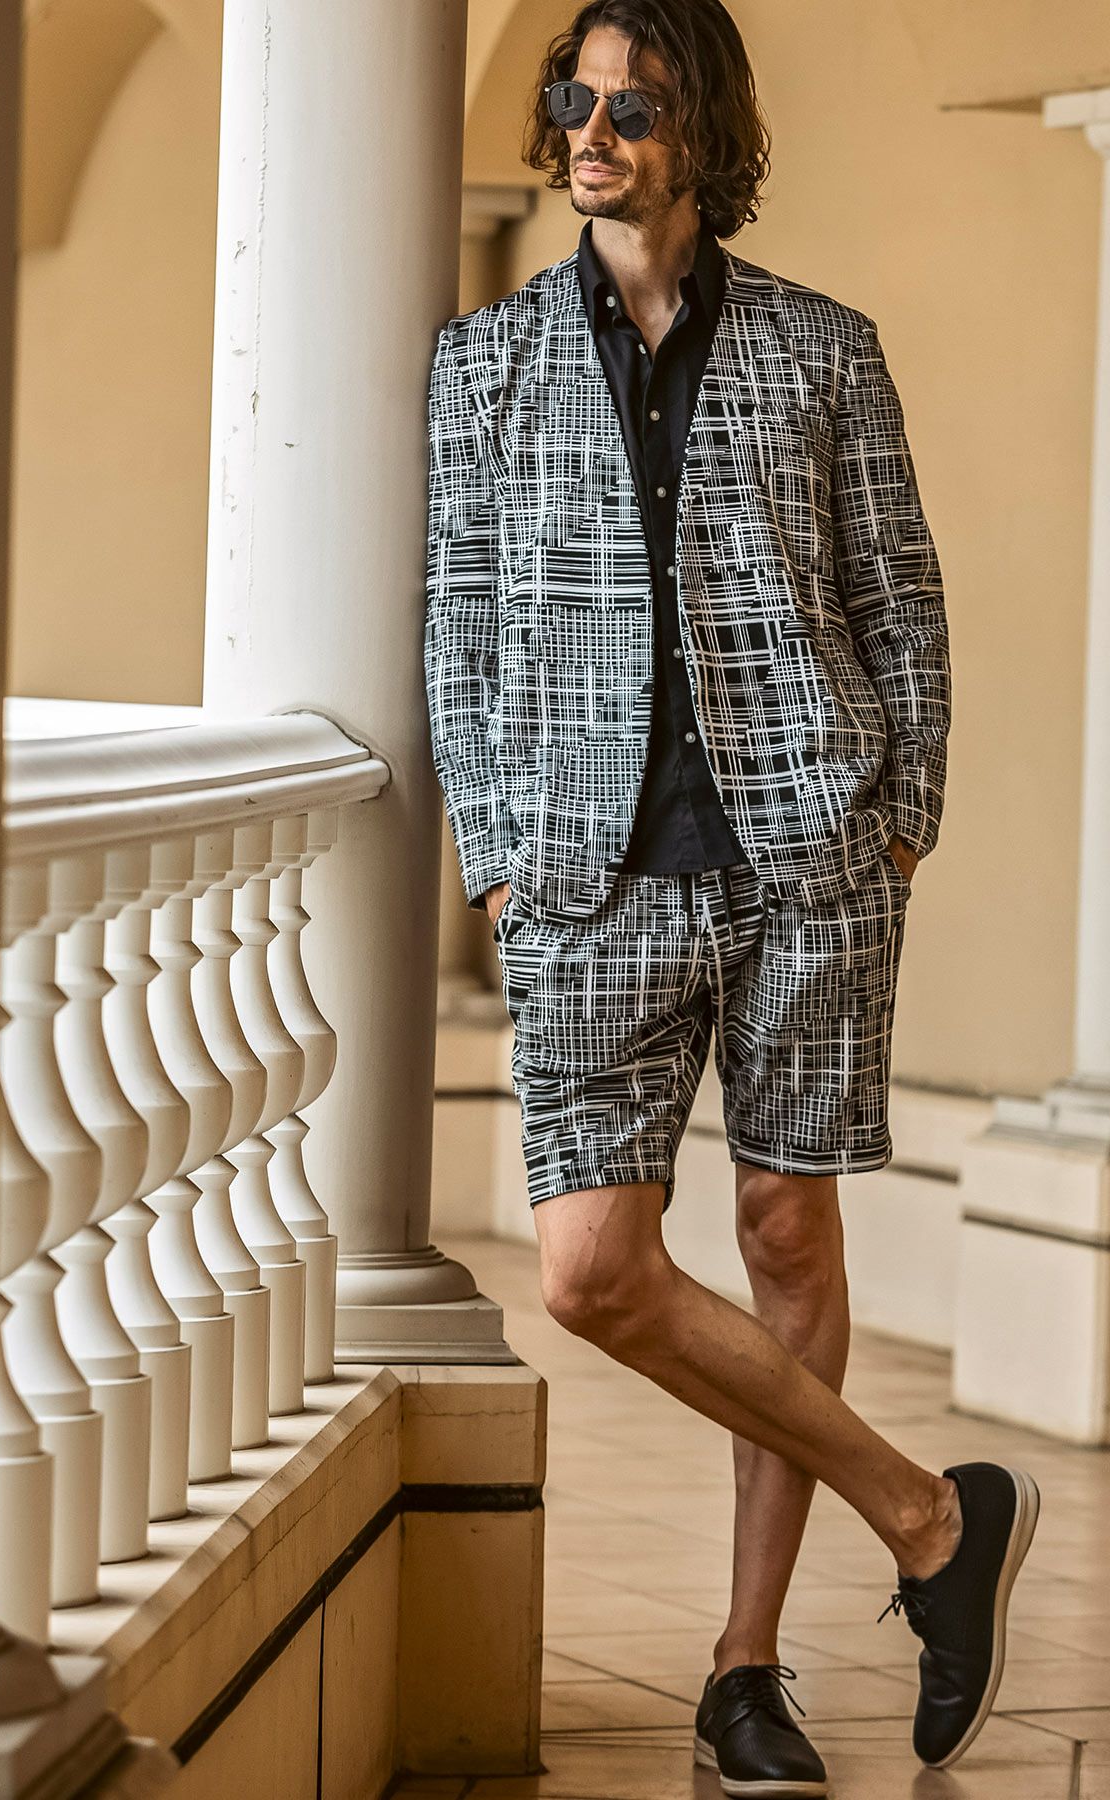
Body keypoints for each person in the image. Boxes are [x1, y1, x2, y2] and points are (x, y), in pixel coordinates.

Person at [423, 2, 1038, 1790]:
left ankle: (746, 1664)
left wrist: (898, 820)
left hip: (808, 865)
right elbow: (459, 621)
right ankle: (932, 1520)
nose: (592, 128)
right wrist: (496, 858)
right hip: (584, 880)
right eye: (576, 98)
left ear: (704, 133)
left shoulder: (824, 350)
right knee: (592, 1274)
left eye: (633, 105)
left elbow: (901, 601)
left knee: (785, 1237)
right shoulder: (484, 362)